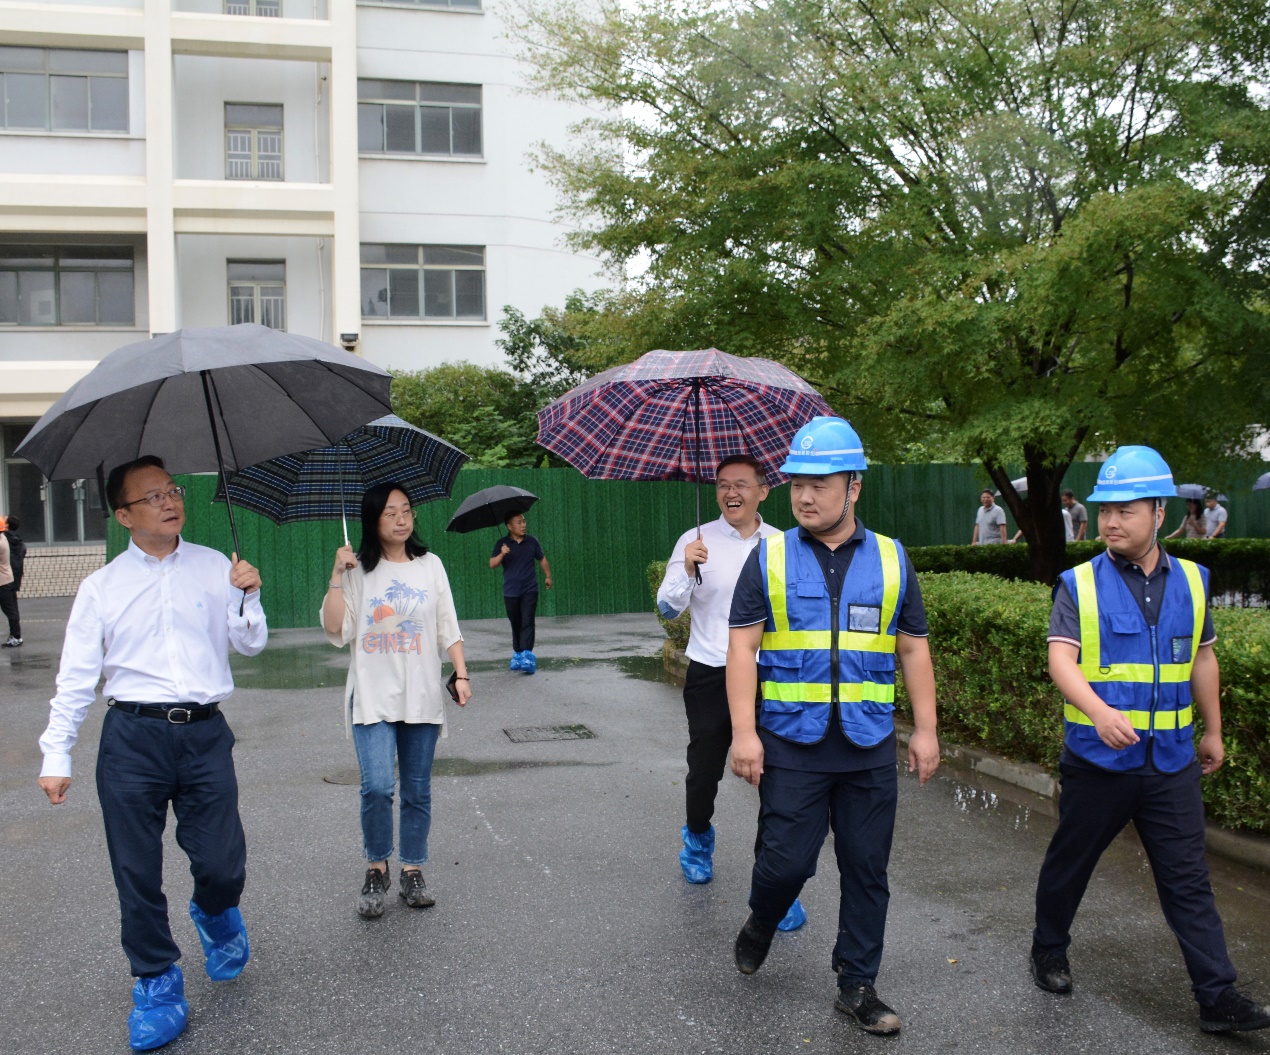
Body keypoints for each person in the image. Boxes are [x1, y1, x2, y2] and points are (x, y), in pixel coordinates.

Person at [1030, 445, 1270, 1034]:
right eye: (1105, 510)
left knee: (1187, 879)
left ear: (1159, 512)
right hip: (1098, 759)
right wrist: (1099, 710)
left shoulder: (1192, 578)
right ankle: (1048, 949)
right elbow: (1062, 661)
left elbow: (1202, 658)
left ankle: (1217, 998)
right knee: (1071, 864)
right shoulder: (1078, 584)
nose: (1111, 521)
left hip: (1171, 763)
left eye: (1126, 510)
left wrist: (1211, 730)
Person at [37, 455, 266, 1052]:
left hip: (204, 732)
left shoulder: (218, 566)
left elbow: (251, 644)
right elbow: (75, 677)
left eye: (172, 490)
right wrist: (55, 754)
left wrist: (249, 596)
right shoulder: (101, 587)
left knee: (222, 861)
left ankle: (216, 914)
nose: (170, 502)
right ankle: (156, 982)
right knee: (135, 871)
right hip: (132, 739)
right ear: (122, 515)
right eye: (152, 496)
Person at [726, 417, 940, 1036]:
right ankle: (763, 918)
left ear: (854, 487)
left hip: (869, 742)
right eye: (796, 484)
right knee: (785, 864)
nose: (804, 496)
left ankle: (857, 983)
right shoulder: (766, 558)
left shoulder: (893, 559)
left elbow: (914, 650)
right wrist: (745, 733)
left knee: (867, 867)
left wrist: (924, 731)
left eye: (820, 484)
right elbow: (742, 650)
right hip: (792, 741)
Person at [657, 455, 805, 927]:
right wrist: (685, 567)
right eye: (722, 485)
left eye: (741, 484)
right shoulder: (694, 540)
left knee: (779, 778)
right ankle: (697, 839)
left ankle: (775, 879)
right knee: (704, 771)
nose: (730, 492)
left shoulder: (785, 544)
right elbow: (666, 607)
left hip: (772, 676)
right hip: (710, 673)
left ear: (764, 490)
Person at [323, 482, 472, 919]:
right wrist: (336, 575)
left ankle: (411, 869)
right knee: (377, 787)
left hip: (422, 694)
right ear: (373, 520)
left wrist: (460, 673)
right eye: (391, 513)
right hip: (371, 697)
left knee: (417, 790)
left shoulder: (431, 565)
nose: (402, 519)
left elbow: (448, 624)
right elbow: (336, 631)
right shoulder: (356, 570)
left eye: (406, 510)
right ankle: (376, 866)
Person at [489, 511, 552, 674]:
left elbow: (542, 559)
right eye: (519, 522)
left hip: (530, 589)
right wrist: (502, 553)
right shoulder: (502, 543)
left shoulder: (532, 541)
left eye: (524, 521)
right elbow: (492, 564)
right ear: (509, 526)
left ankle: (527, 655)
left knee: (528, 621)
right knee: (515, 622)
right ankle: (517, 653)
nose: (523, 525)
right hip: (511, 591)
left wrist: (548, 576)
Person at [0, 513, 20, 646]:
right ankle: (16, 636)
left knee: (10, 610)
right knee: (11, 609)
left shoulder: (1, 542)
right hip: (6, 580)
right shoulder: (3, 537)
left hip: (3, 582)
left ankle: (16, 636)